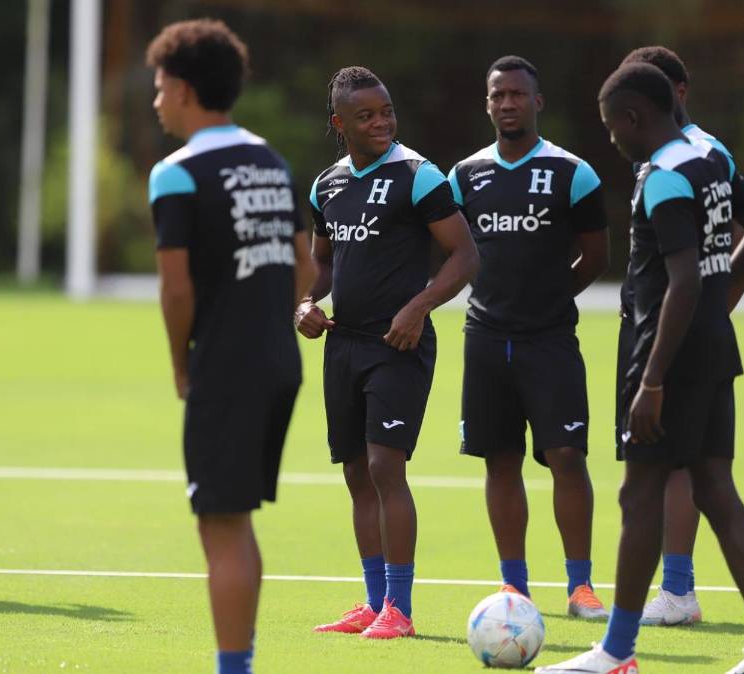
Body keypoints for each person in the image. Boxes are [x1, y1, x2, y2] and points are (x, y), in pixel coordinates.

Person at [537, 63, 744, 674]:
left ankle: (616, 652)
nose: (612, 140)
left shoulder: (663, 177)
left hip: (669, 359)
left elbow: (681, 281)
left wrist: (651, 380)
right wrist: (717, 300)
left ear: (633, 118)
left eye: (612, 127)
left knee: (639, 496)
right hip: (714, 349)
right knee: (715, 489)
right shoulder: (709, 160)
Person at [146, 19, 314, 674]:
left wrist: (180, 363)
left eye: (160, 87)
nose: (157, 100)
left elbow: (176, 290)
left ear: (185, 90)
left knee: (220, 524)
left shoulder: (177, 174)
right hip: (279, 361)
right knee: (235, 520)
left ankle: (232, 669)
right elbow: (304, 265)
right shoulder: (272, 160)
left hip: (227, 365)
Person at [618, 44, 744, 627]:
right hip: (673, 328)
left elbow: (693, 272)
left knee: (652, 482)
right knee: (706, 482)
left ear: (670, 96)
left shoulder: (687, 160)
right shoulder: (684, 157)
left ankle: (660, 604)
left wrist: (712, 299)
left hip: (672, 338)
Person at [300, 66, 478, 639]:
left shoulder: (418, 176)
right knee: (356, 471)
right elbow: (321, 263)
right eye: (366, 116)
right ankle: (374, 602)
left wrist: (419, 307)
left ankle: (399, 609)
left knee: (384, 466)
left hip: (398, 344)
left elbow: (464, 255)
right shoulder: (326, 185)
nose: (381, 123)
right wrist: (304, 303)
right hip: (343, 344)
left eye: (387, 112)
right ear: (339, 123)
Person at [447, 55, 610, 619]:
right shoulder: (464, 176)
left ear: (537, 102)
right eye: (498, 95)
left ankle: (580, 586)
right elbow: (451, 251)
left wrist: (553, 298)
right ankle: (513, 585)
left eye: (517, 94)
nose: (508, 103)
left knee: (567, 455)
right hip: (486, 338)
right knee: (500, 460)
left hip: (550, 339)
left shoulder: (573, 172)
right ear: (487, 104)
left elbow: (596, 255)